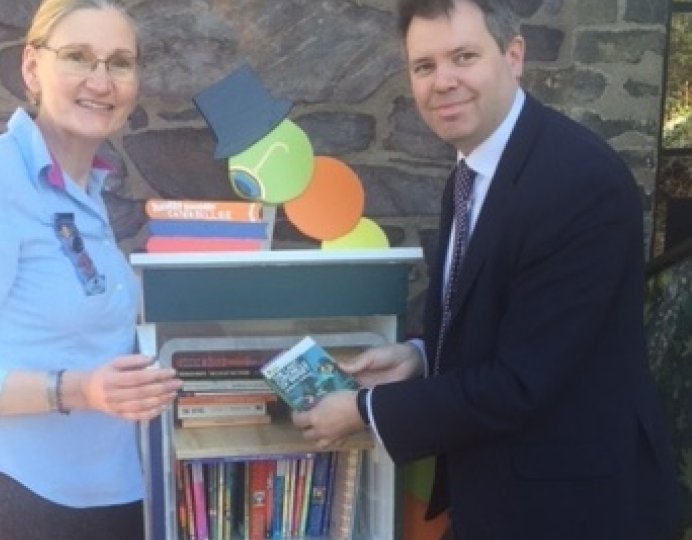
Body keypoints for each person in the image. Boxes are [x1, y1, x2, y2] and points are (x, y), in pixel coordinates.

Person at [292, 1, 684, 539]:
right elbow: (502, 322)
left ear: (514, 55)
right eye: (424, 66)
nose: (443, 81)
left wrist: (365, 409)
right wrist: (420, 357)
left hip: (577, 509)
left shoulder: (577, 182)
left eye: (464, 56)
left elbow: (522, 382)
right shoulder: (472, 171)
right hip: (501, 498)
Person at [0, 1, 182, 539]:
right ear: (31, 68)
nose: (101, 80)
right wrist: (78, 390)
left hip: (120, 493)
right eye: (77, 57)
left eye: (120, 62)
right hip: (25, 500)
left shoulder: (89, 190)